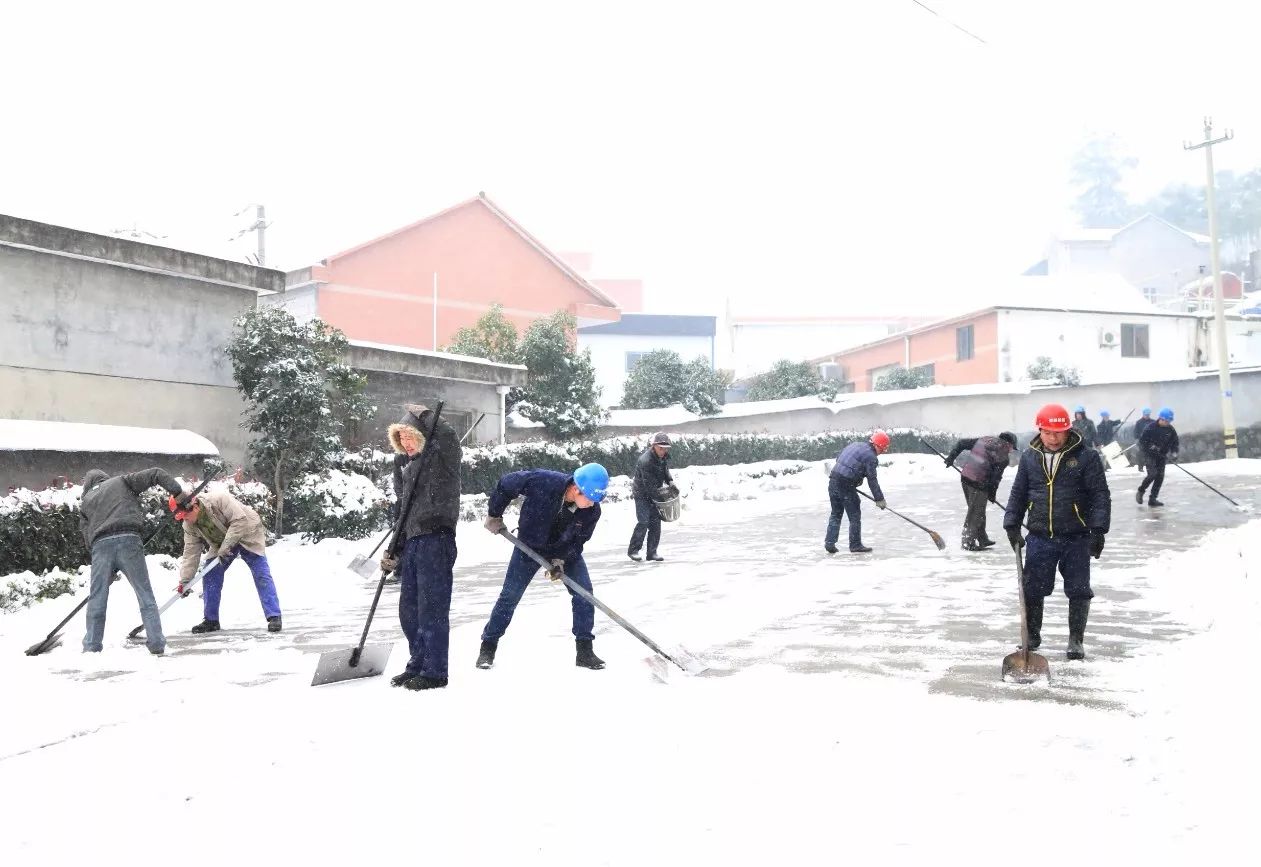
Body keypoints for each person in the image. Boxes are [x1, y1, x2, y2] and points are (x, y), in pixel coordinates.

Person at [477, 463, 610, 671]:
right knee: (510, 596)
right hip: (529, 547)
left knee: (584, 593)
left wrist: (562, 560)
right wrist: (495, 513)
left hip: (564, 551)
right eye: (591, 499)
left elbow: (579, 542)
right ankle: (488, 646)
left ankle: (584, 650)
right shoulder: (544, 481)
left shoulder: (591, 512)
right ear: (576, 489)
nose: (593, 504)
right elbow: (506, 484)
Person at [1004, 403, 1111, 661]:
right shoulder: (1030, 457)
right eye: (1048, 432)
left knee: (1078, 589)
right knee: (1033, 588)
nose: (1053, 438)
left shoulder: (1086, 457)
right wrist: (1012, 524)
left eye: (1059, 432)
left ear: (1068, 430)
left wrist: (1098, 530)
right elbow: (1019, 492)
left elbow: (1100, 495)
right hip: (1040, 535)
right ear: (1039, 430)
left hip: (1076, 536)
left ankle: (1076, 640)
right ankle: (1032, 635)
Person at [380, 403, 462, 691]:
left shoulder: (443, 459)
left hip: (436, 539)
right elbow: (402, 512)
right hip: (414, 541)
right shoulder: (405, 468)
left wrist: (425, 414)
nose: (406, 442)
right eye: (401, 438)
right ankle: (417, 663)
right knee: (409, 611)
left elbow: (449, 435)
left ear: (423, 436)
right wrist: (394, 550)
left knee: (432, 609)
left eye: (411, 436)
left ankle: (435, 671)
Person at [79, 468, 184, 655]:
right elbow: (156, 473)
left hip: (100, 547)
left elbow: (87, 536)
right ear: (105, 478)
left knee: (97, 597)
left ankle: (92, 645)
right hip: (129, 538)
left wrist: (103, 566)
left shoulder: (86, 501)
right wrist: (177, 492)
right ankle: (156, 642)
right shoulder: (122, 481)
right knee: (144, 593)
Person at [172, 485, 282, 636]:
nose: (185, 520)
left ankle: (274, 616)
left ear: (195, 507)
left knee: (261, 573)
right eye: (182, 517)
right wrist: (185, 580)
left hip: (248, 532)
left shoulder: (219, 499)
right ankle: (211, 620)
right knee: (210, 574)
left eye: (185, 516)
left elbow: (239, 521)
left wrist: (227, 546)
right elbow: (191, 552)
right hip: (221, 541)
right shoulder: (189, 526)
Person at [944, 432, 1017, 551]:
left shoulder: (984, 439)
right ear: (1008, 444)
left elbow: (961, 443)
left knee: (977, 509)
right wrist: (992, 494)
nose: (1011, 451)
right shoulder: (1003, 456)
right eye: (1012, 448)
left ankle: (982, 538)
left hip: (966, 478)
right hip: (979, 483)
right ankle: (968, 543)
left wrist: (951, 457)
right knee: (975, 512)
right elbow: (995, 479)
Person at [824, 431, 890, 555]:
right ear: (878, 445)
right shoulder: (871, 457)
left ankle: (829, 543)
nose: (882, 452)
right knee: (854, 515)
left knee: (836, 513)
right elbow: (872, 480)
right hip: (846, 485)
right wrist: (879, 499)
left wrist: (856, 477)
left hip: (833, 480)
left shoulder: (855, 445)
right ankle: (855, 545)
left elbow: (839, 459)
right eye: (882, 449)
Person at [628, 431, 676, 562]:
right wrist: (661, 498)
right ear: (654, 446)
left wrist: (670, 481)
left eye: (665, 448)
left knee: (655, 523)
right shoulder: (646, 461)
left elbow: (665, 470)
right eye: (661, 448)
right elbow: (649, 485)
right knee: (643, 521)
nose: (663, 451)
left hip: (655, 493)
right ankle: (633, 550)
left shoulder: (663, 457)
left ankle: (652, 552)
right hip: (642, 494)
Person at [1137, 407, 1179, 508]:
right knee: (1152, 474)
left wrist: (1174, 453)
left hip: (1161, 456)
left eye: (1169, 421)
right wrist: (1151, 446)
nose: (1168, 423)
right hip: (1149, 456)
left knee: (1160, 477)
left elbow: (1175, 442)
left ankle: (1153, 499)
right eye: (1167, 420)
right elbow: (1142, 442)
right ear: (1161, 419)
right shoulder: (1150, 427)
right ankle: (1141, 490)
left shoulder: (1170, 429)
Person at [1132, 408, 1154, 473]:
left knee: (1151, 454)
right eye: (1146, 415)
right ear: (1143, 414)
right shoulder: (1139, 422)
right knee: (1141, 454)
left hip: (1151, 441)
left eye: (1148, 415)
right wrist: (1137, 439)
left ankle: (1150, 467)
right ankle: (1140, 467)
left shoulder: (1153, 422)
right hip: (1142, 441)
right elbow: (1136, 432)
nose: (1147, 416)